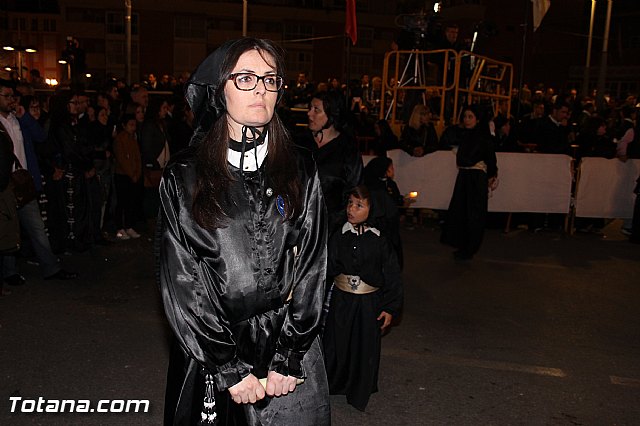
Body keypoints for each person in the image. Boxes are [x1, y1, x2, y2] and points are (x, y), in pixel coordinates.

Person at [158, 38, 330, 425]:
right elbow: (182, 279)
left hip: (289, 345)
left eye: (270, 80)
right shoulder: (186, 176)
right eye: (247, 78)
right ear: (219, 90)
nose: (261, 90)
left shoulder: (301, 167)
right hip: (214, 348)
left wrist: (290, 353)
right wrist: (227, 365)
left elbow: (313, 262)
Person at [322, 184, 403, 412]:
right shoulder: (339, 235)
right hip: (341, 299)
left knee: (363, 344)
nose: (351, 209)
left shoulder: (380, 240)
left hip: (369, 303)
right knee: (337, 342)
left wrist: (390, 307)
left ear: (372, 209)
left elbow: (392, 275)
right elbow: (326, 268)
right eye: (350, 203)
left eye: (359, 205)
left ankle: (359, 387)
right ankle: (334, 381)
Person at [0, 79, 77, 285]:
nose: (11, 101)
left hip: (24, 182)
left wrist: (24, 117)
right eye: (6, 96)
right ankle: (9, 272)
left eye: (12, 96)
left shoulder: (18, 119)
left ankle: (51, 267)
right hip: (5, 184)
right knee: (9, 228)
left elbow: (40, 136)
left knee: (37, 227)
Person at [296, 90, 363, 234]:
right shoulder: (300, 142)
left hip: (333, 224)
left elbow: (355, 186)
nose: (309, 114)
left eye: (316, 110)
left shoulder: (347, 147)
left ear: (332, 115)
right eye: (310, 108)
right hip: (299, 221)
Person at [440, 104, 498, 260]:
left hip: (476, 178)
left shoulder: (483, 137)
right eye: (465, 116)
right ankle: (463, 245)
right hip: (465, 176)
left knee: (474, 213)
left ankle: (469, 247)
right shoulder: (465, 135)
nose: (466, 120)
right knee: (461, 210)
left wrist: (491, 175)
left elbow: (490, 159)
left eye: (470, 116)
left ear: (477, 119)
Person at [113, 114, 142, 240]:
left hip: (132, 175)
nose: (133, 127)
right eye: (130, 125)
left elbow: (137, 158)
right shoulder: (120, 139)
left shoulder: (133, 138)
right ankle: (120, 227)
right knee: (121, 202)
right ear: (124, 126)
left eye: (134, 125)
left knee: (131, 202)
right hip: (122, 175)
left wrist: (137, 173)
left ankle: (129, 226)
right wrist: (132, 173)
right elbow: (122, 159)